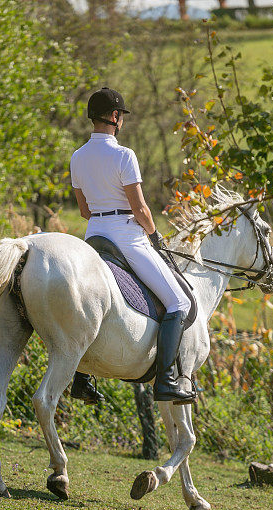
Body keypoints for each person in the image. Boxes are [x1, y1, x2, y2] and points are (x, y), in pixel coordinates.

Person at [68, 87, 195, 405]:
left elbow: (84, 210)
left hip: (94, 233)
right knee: (179, 303)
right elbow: (140, 209)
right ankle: (166, 380)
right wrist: (155, 236)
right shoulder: (124, 155)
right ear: (114, 117)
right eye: (120, 115)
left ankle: (80, 378)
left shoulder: (77, 157)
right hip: (126, 235)